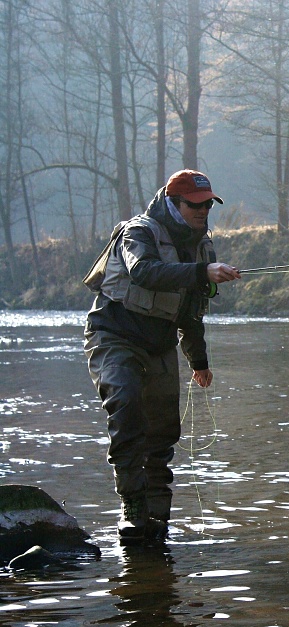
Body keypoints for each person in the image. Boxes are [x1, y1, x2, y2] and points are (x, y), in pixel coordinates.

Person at [84, 169, 241, 546]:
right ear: (174, 203)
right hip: (114, 334)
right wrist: (202, 272)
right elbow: (143, 272)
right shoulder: (138, 232)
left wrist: (198, 362)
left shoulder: (203, 246)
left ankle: (158, 517)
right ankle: (133, 506)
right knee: (124, 406)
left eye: (208, 205)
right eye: (195, 204)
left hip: (159, 343)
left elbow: (191, 312)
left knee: (163, 433)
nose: (204, 211)